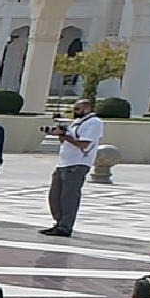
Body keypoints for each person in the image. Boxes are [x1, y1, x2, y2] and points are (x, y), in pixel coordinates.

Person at [44, 96, 105, 237]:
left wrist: (65, 135)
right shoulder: (77, 122)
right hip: (63, 163)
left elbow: (84, 144)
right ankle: (59, 222)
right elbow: (67, 140)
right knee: (54, 196)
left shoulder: (94, 123)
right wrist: (60, 135)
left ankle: (65, 227)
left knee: (69, 197)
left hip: (77, 164)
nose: (74, 111)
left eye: (77, 109)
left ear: (87, 109)